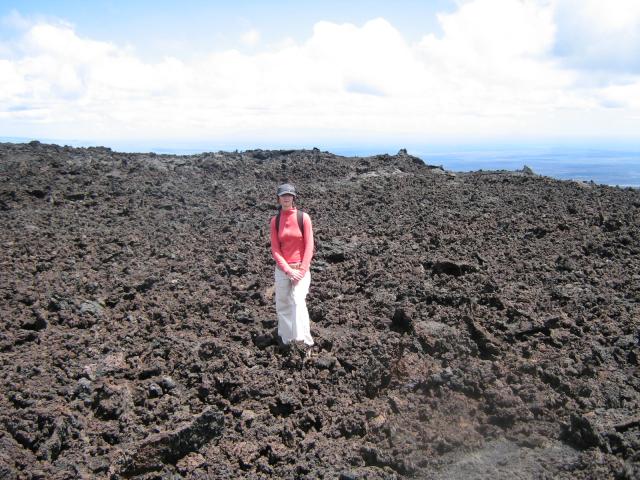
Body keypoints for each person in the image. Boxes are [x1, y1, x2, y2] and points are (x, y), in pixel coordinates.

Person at [270, 183, 314, 346]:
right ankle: (287, 341)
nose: (286, 198)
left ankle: (304, 342)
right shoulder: (275, 221)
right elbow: (275, 249)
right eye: (283, 195)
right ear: (279, 198)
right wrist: (288, 271)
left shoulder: (303, 218)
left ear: (294, 198)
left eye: (289, 195)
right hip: (283, 270)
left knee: (297, 301)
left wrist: (301, 271)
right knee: (283, 304)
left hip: (301, 269)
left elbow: (310, 246)